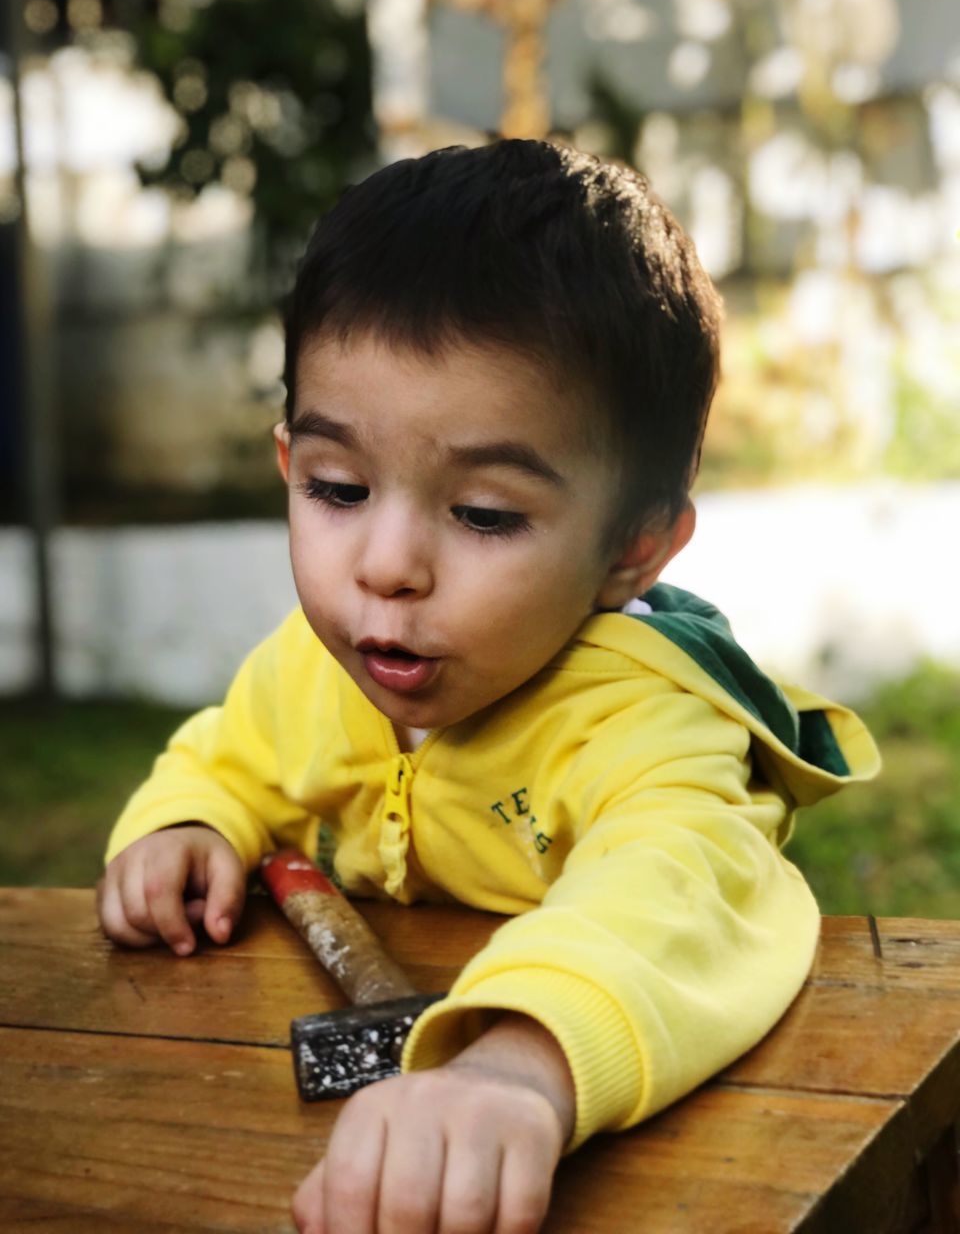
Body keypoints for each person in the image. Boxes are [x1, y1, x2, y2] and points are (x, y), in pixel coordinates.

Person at [98, 139, 880, 1234]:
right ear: (289, 465)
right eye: (338, 487)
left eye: (484, 514)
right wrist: (191, 818)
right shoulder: (322, 661)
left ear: (633, 547)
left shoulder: (647, 725)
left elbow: (678, 895)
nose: (387, 565)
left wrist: (519, 1066)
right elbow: (237, 749)